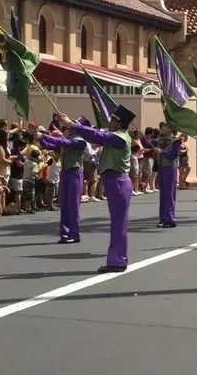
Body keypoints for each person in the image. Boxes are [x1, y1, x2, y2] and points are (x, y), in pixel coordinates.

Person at [59, 106, 135, 273]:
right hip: (116, 181)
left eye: (113, 120)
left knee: (118, 224)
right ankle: (117, 259)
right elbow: (94, 134)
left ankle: (117, 261)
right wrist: (72, 124)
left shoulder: (120, 137)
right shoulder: (117, 136)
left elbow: (98, 135)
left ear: (119, 122)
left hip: (117, 181)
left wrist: (72, 125)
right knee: (117, 223)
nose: (110, 122)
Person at [39, 117, 88, 244]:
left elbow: (64, 143)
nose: (69, 127)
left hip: (75, 172)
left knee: (73, 205)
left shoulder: (81, 141)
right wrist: (40, 138)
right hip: (65, 172)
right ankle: (65, 233)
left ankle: (74, 233)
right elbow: (52, 145)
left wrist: (46, 136)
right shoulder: (67, 140)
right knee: (64, 204)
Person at [142, 123, 182, 228]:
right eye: (162, 127)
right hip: (162, 168)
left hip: (170, 168)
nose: (163, 128)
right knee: (163, 194)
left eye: (165, 126)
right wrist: (141, 137)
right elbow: (147, 144)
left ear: (171, 128)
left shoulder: (175, 141)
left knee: (169, 194)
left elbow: (173, 155)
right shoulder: (159, 140)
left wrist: (162, 152)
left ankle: (171, 219)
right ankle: (163, 219)